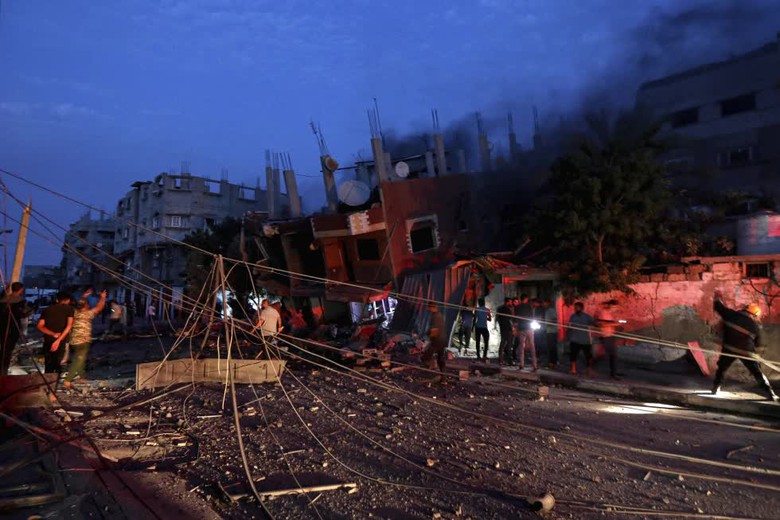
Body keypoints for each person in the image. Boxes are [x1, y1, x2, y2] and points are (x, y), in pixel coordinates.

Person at [712, 291, 778, 401]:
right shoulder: (754, 326)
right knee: (757, 372)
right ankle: (770, 393)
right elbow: (757, 343)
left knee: (722, 369)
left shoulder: (730, 314)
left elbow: (718, 306)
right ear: (753, 314)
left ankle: (715, 388)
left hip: (729, 349)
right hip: (747, 352)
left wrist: (717, 298)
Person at [63, 289, 107, 388]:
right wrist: (103, 297)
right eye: (87, 305)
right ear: (86, 306)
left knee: (79, 358)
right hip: (83, 340)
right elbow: (99, 307)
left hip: (73, 340)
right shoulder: (87, 314)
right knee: (79, 359)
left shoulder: (75, 313)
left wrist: (84, 297)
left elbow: (80, 304)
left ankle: (81, 377)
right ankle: (68, 379)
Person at [36, 291, 75, 375]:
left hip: (48, 339)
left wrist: (52, 334)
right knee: (58, 364)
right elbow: (69, 326)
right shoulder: (69, 309)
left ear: (57, 300)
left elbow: (40, 326)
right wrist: (58, 340)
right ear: (68, 300)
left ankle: (47, 383)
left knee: (48, 364)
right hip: (61, 340)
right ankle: (54, 384)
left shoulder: (47, 309)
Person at [0, 282, 30, 376]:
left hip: (2, 328)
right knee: (7, 351)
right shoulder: (20, 302)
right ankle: (3, 372)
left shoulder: (2, 300)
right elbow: (23, 315)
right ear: (20, 290)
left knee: (2, 350)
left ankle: (3, 371)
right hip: (13, 329)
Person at [595, 299, 622, 379]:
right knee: (612, 355)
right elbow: (601, 324)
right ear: (611, 305)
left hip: (610, 335)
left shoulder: (609, 314)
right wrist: (615, 324)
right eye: (615, 307)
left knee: (613, 355)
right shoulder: (603, 313)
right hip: (605, 336)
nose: (615, 309)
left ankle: (613, 373)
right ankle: (613, 374)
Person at [421, 302, 447, 378]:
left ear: (431, 307)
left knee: (425, 357)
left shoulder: (435, 316)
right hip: (443, 340)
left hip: (437, 340)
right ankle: (443, 376)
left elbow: (434, 330)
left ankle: (427, 372)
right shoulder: (440, 315)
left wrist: (429, 339)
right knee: (440, 358)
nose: (427, 309)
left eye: (428, 307)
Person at [568, 302, 594, 376]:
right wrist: (569, 336)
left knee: (588, 356)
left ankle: (589, 369)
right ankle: (573, 369)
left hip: (585, 340)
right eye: (575, 307)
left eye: (577, 307)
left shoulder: (587, 317)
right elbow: (570, 326)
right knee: (573, 355)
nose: (576, 309)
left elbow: (593, 323)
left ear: (582, 308)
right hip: (575, 339)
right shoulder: (572, 316)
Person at [515, 294, 537, 371]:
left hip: (521, 328)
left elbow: (516, 318)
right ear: (526, 299)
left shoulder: (517, 307)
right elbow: (532, 317)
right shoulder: (529, 307)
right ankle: (534, 364)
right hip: (529, 327)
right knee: (532, 346)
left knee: (522, 346)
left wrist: (516, 329)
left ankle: (522, 364)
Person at [496, 298, 514, 365]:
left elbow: (497, 318)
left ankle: (500, 360)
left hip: (502, 328)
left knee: (502, 344)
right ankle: (509, 360)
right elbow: (511, 318)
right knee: (509, 345)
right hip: (508, 328)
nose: (511, 303)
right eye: (510, 302)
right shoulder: (508, 309)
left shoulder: (499, 308)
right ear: (507, 302)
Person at [544, 299, 559, 368]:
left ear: (548, 303)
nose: (544, 304)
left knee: (552, 347)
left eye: (545, 303)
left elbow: (555, 319)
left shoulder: (551, 310)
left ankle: (552, 362)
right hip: (549, 330)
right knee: (551, 347)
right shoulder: (548, 310)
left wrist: (548, 322)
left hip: (552, 331)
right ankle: (552, 362)